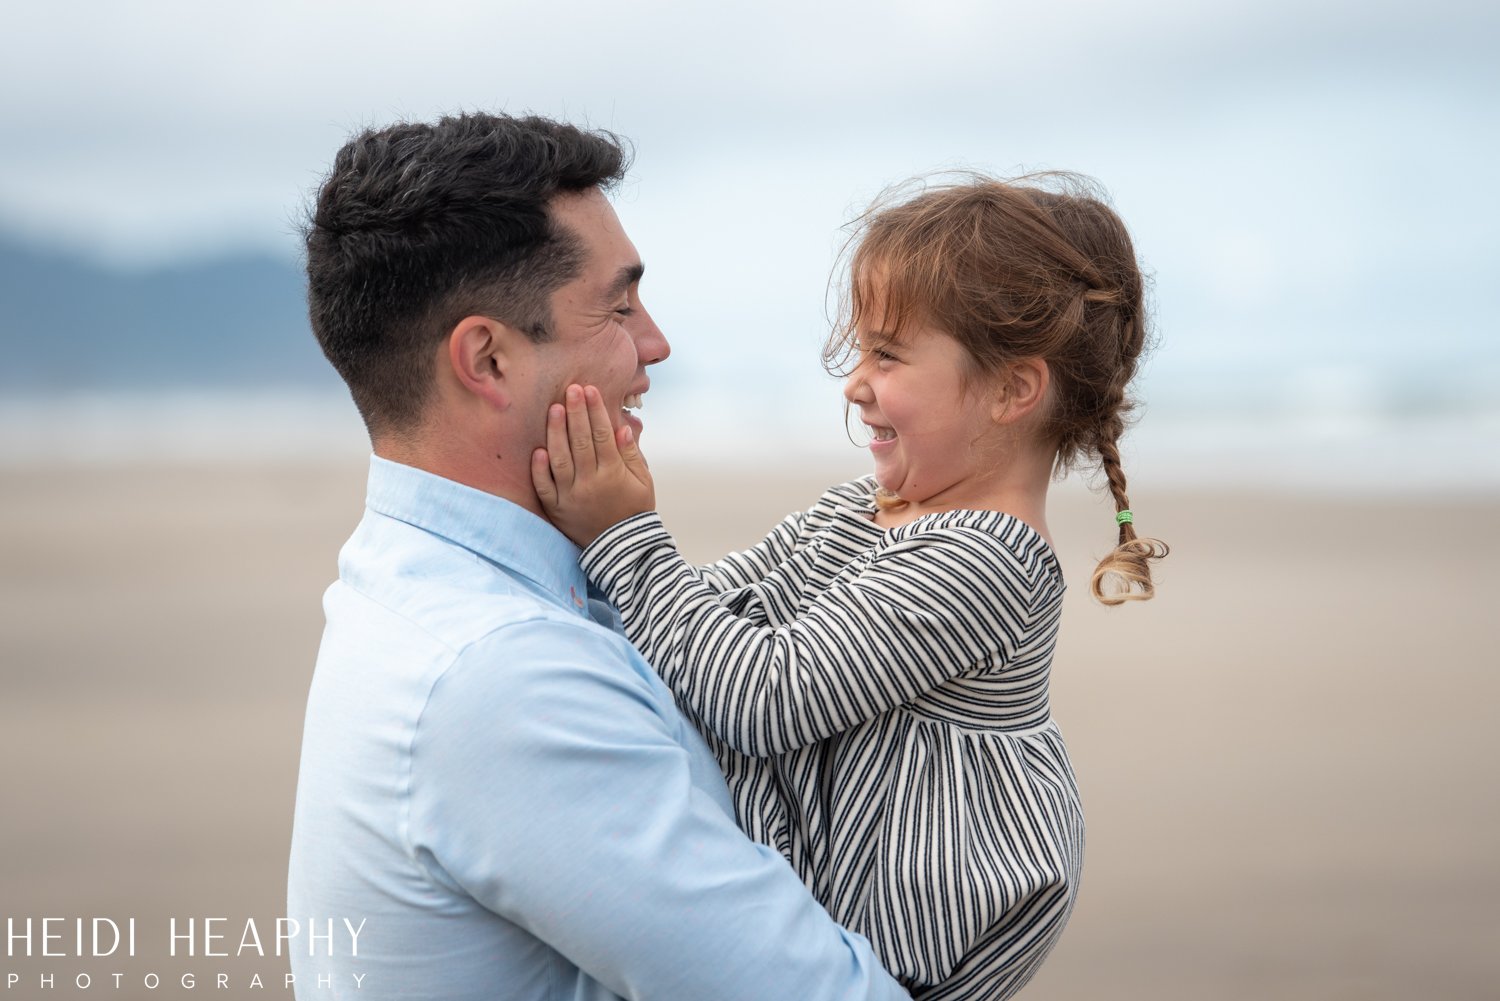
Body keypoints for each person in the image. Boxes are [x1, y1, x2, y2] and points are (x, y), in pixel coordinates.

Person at [285, 111, 912, 1001]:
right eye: (618, 308)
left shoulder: (409, 588)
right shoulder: (502, 675)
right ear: (488, 360)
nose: (654, 343)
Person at [532, 173, 1170, 1000]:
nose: (855, 382)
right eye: (860, 348)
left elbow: (763, 695)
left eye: (888, 354)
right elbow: (702, 614)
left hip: (885, 952)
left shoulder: (992, 560)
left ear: (1014, 388)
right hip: (804, 893)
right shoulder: (855, 510)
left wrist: (623, 534)